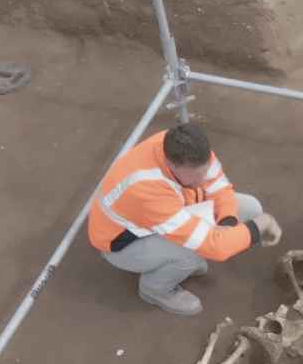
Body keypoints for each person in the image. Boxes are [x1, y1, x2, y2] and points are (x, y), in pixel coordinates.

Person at [87, 122, 282, 316]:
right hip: (123, 244)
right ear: (173, 164)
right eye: (196, 176)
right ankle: (154, 290)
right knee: (192, 252)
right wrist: (262, 224)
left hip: (165, 213)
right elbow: (217, 249)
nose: (202, 181)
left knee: (250, 208)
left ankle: (176, 263)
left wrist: (227, 223)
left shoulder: (190, 148)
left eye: (204, 171)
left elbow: (219, 187)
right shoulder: (146, 190)